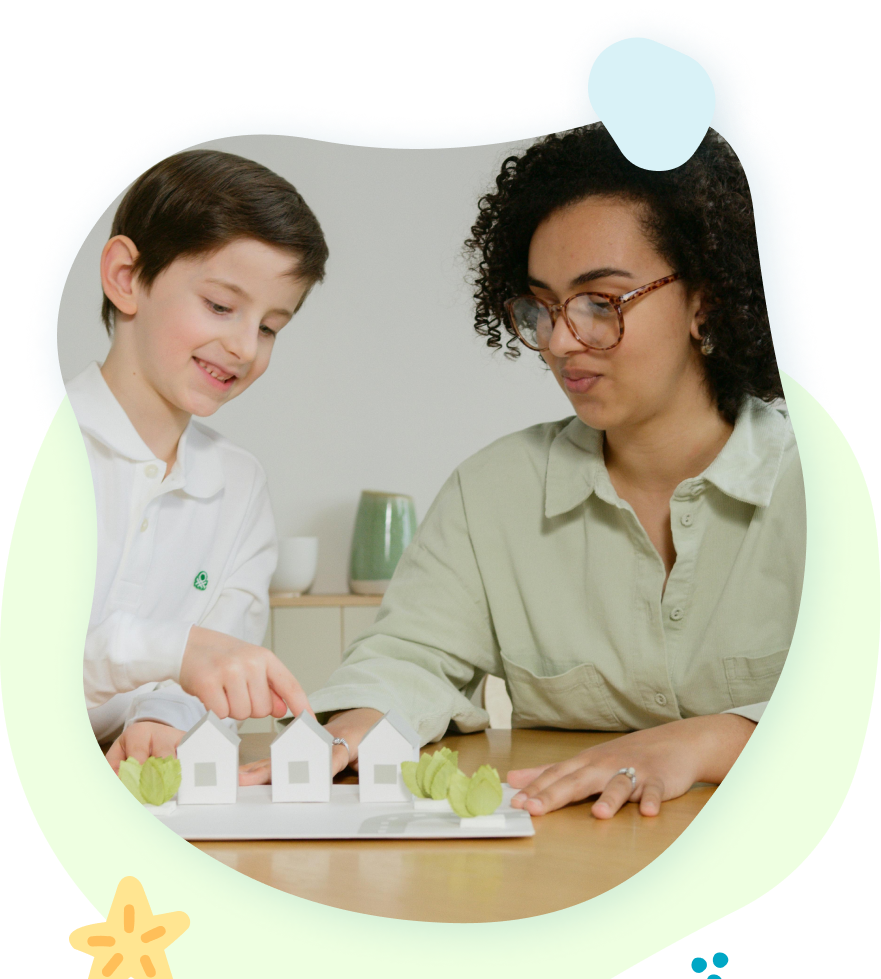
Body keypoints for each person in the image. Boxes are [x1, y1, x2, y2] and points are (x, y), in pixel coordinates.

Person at [241, 123, 806, 820]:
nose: (561, 341)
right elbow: (412, 653)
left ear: (706, 300)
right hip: (565, 860)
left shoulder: (825, 487)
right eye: (541, 307)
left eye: (602, 302)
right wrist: (364, 720)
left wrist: (711, 741)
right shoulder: (493, 492)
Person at [66, 149, 329, 775]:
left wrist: (165, 717)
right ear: (127, 277)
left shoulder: (239, 487)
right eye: (219, 305)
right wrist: (177, 650)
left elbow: (222, 652)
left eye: (270, 327)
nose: (243, 347)